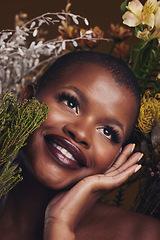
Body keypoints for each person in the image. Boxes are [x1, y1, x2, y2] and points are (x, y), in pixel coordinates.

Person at [0, 51, 160, 240]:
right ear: (27, 98)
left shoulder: (143, 235)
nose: (81, 133)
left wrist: (59, 223)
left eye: (107, 132)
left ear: (117, 157)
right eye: (70, 102)